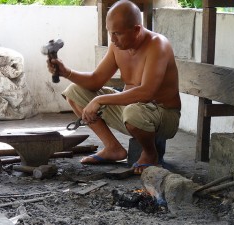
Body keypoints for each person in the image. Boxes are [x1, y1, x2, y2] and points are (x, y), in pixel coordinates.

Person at [47, 0, 181, 174]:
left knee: (133, 112)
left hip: (164, 115)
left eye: (117, 33)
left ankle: (150, 154)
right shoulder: (117, 47)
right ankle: (113, 148)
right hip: (130, 111)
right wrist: (66, 72)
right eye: (110, 32)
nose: (112, 39)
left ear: (137, 30)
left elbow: (147, 92)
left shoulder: (158, 45)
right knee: (74, 92)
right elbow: (96, 80)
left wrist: (100, 99)